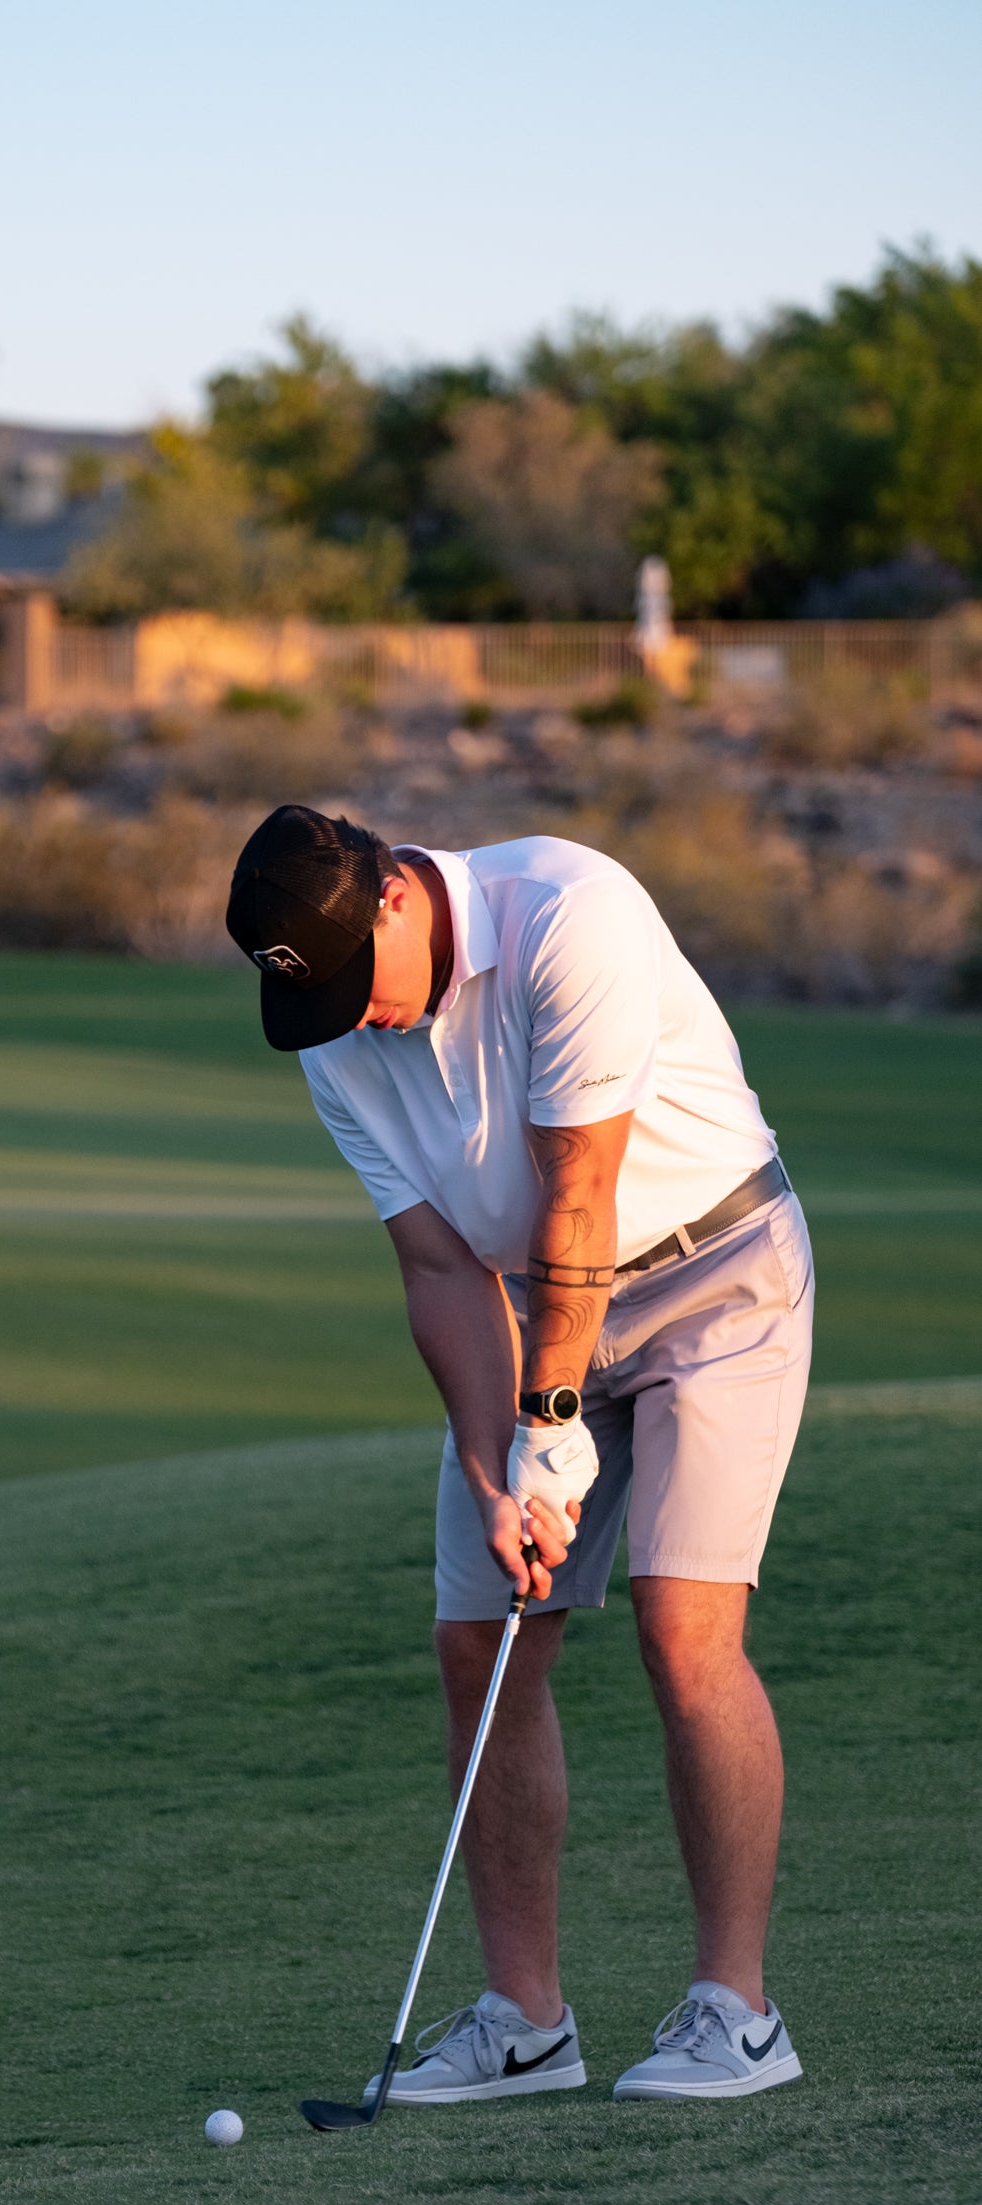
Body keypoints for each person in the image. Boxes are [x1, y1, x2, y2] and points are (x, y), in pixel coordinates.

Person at [226, 806, 813, 2103]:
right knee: (479, 1639)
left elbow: (578, 1194)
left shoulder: (566, 913)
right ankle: (525, 2023)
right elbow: (440, 1269)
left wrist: (549, 1430)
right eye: (311, 1001)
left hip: (715, 1281)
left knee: (684, 1626)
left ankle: (738, 2013)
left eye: (347, 981)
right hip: (534, 1303)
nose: (346, 1018)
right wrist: (500, 1476)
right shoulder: (335, 1035)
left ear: (393, 895)